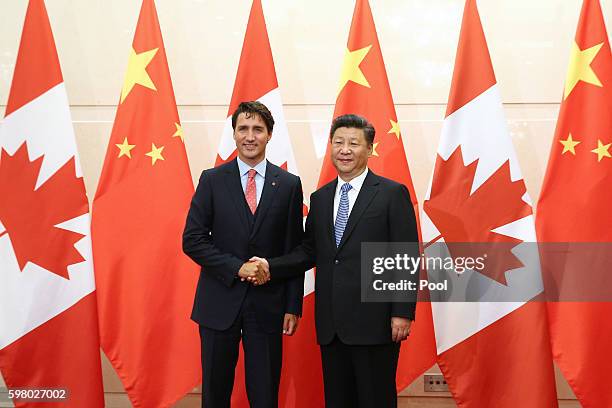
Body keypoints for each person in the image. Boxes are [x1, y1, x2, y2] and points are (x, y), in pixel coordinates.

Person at [253, 114, 419, 408]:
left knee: (375, 399)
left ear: (369, 148)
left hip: (375, 321)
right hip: (331, 324)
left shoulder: (392, 194)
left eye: (353, 143)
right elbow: (308, 251)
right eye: (338, 142)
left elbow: (405, 255)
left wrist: (402, 312)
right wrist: (270, 265)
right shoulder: (320, 198)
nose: (344, 149)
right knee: (338, 400)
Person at [182, 101, 305, 408]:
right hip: (218, 302)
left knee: (265, 394)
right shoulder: (211, 180)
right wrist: (238, 268)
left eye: (258, 130)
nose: (250, 136)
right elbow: (193, 240)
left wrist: (293, 304)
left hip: (268, 306)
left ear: (269, 135)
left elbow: (295, 250)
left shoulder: (289, 185)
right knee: (215, 393)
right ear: (234, 134)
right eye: (243, 129)